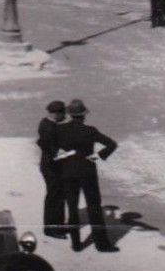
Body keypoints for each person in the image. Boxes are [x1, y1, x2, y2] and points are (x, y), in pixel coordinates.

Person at [54, 99, 120, 252]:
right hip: (87, 171)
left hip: (68, 171)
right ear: (83, 115)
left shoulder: (60, 130)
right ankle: (101, 244)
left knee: (72, 208)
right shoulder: (90, 131)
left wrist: (62, 157)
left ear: (70, 114)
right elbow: (112, 144)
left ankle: (76, 244)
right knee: (94, 208)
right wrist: (98, 156)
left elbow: (49, 146)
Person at [37, 101, 70, 238]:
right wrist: (60, 153)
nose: (65, 116)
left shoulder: (47, 123)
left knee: (58, 195)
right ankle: (51, 229)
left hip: (51, 166)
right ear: (57, 113)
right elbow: (45, 145)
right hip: (51, 168)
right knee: (54, 197)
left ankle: (58, 225)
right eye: (63, 113)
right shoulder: (48, 127)